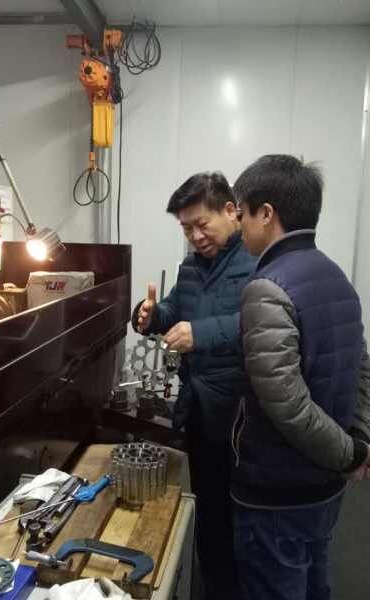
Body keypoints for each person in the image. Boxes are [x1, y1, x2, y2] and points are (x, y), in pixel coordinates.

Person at [230, 154, 370, 600]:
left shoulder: (268, 288)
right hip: (325, 486)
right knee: (315, 584)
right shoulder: (337, 278)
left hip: (277, 490)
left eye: (242, 214)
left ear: (266, 213)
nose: (239, 225)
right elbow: (363, 372)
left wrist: (351, 454)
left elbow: (288, 406)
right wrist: (355, 443)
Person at [132, 171, 254, 600]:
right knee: (209, 509)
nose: (196, 237)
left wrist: (200, 334)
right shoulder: (190, 267)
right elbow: (174, 309)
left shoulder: (256, 260)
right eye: (186, 229)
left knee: (243, 516)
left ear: (230, 210)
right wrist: (150, 315)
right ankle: (214, 586)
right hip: (199, 409)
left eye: (202, 224)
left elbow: (263, 323)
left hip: (242, 416)